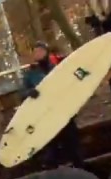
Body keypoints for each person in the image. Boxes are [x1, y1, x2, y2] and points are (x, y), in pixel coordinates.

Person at [21, 42, 84, 170]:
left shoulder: (59, 67)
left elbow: (74, 81)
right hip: (46, 115)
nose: (38, 54)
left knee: (73, 144)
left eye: (40, 51)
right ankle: (54, 172)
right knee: (51, 148)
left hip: (63, 112)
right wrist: (30, 93)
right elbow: (22, 93)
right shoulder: (31, 74)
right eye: (35, 52)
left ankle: (80, 168)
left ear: (46, 52)